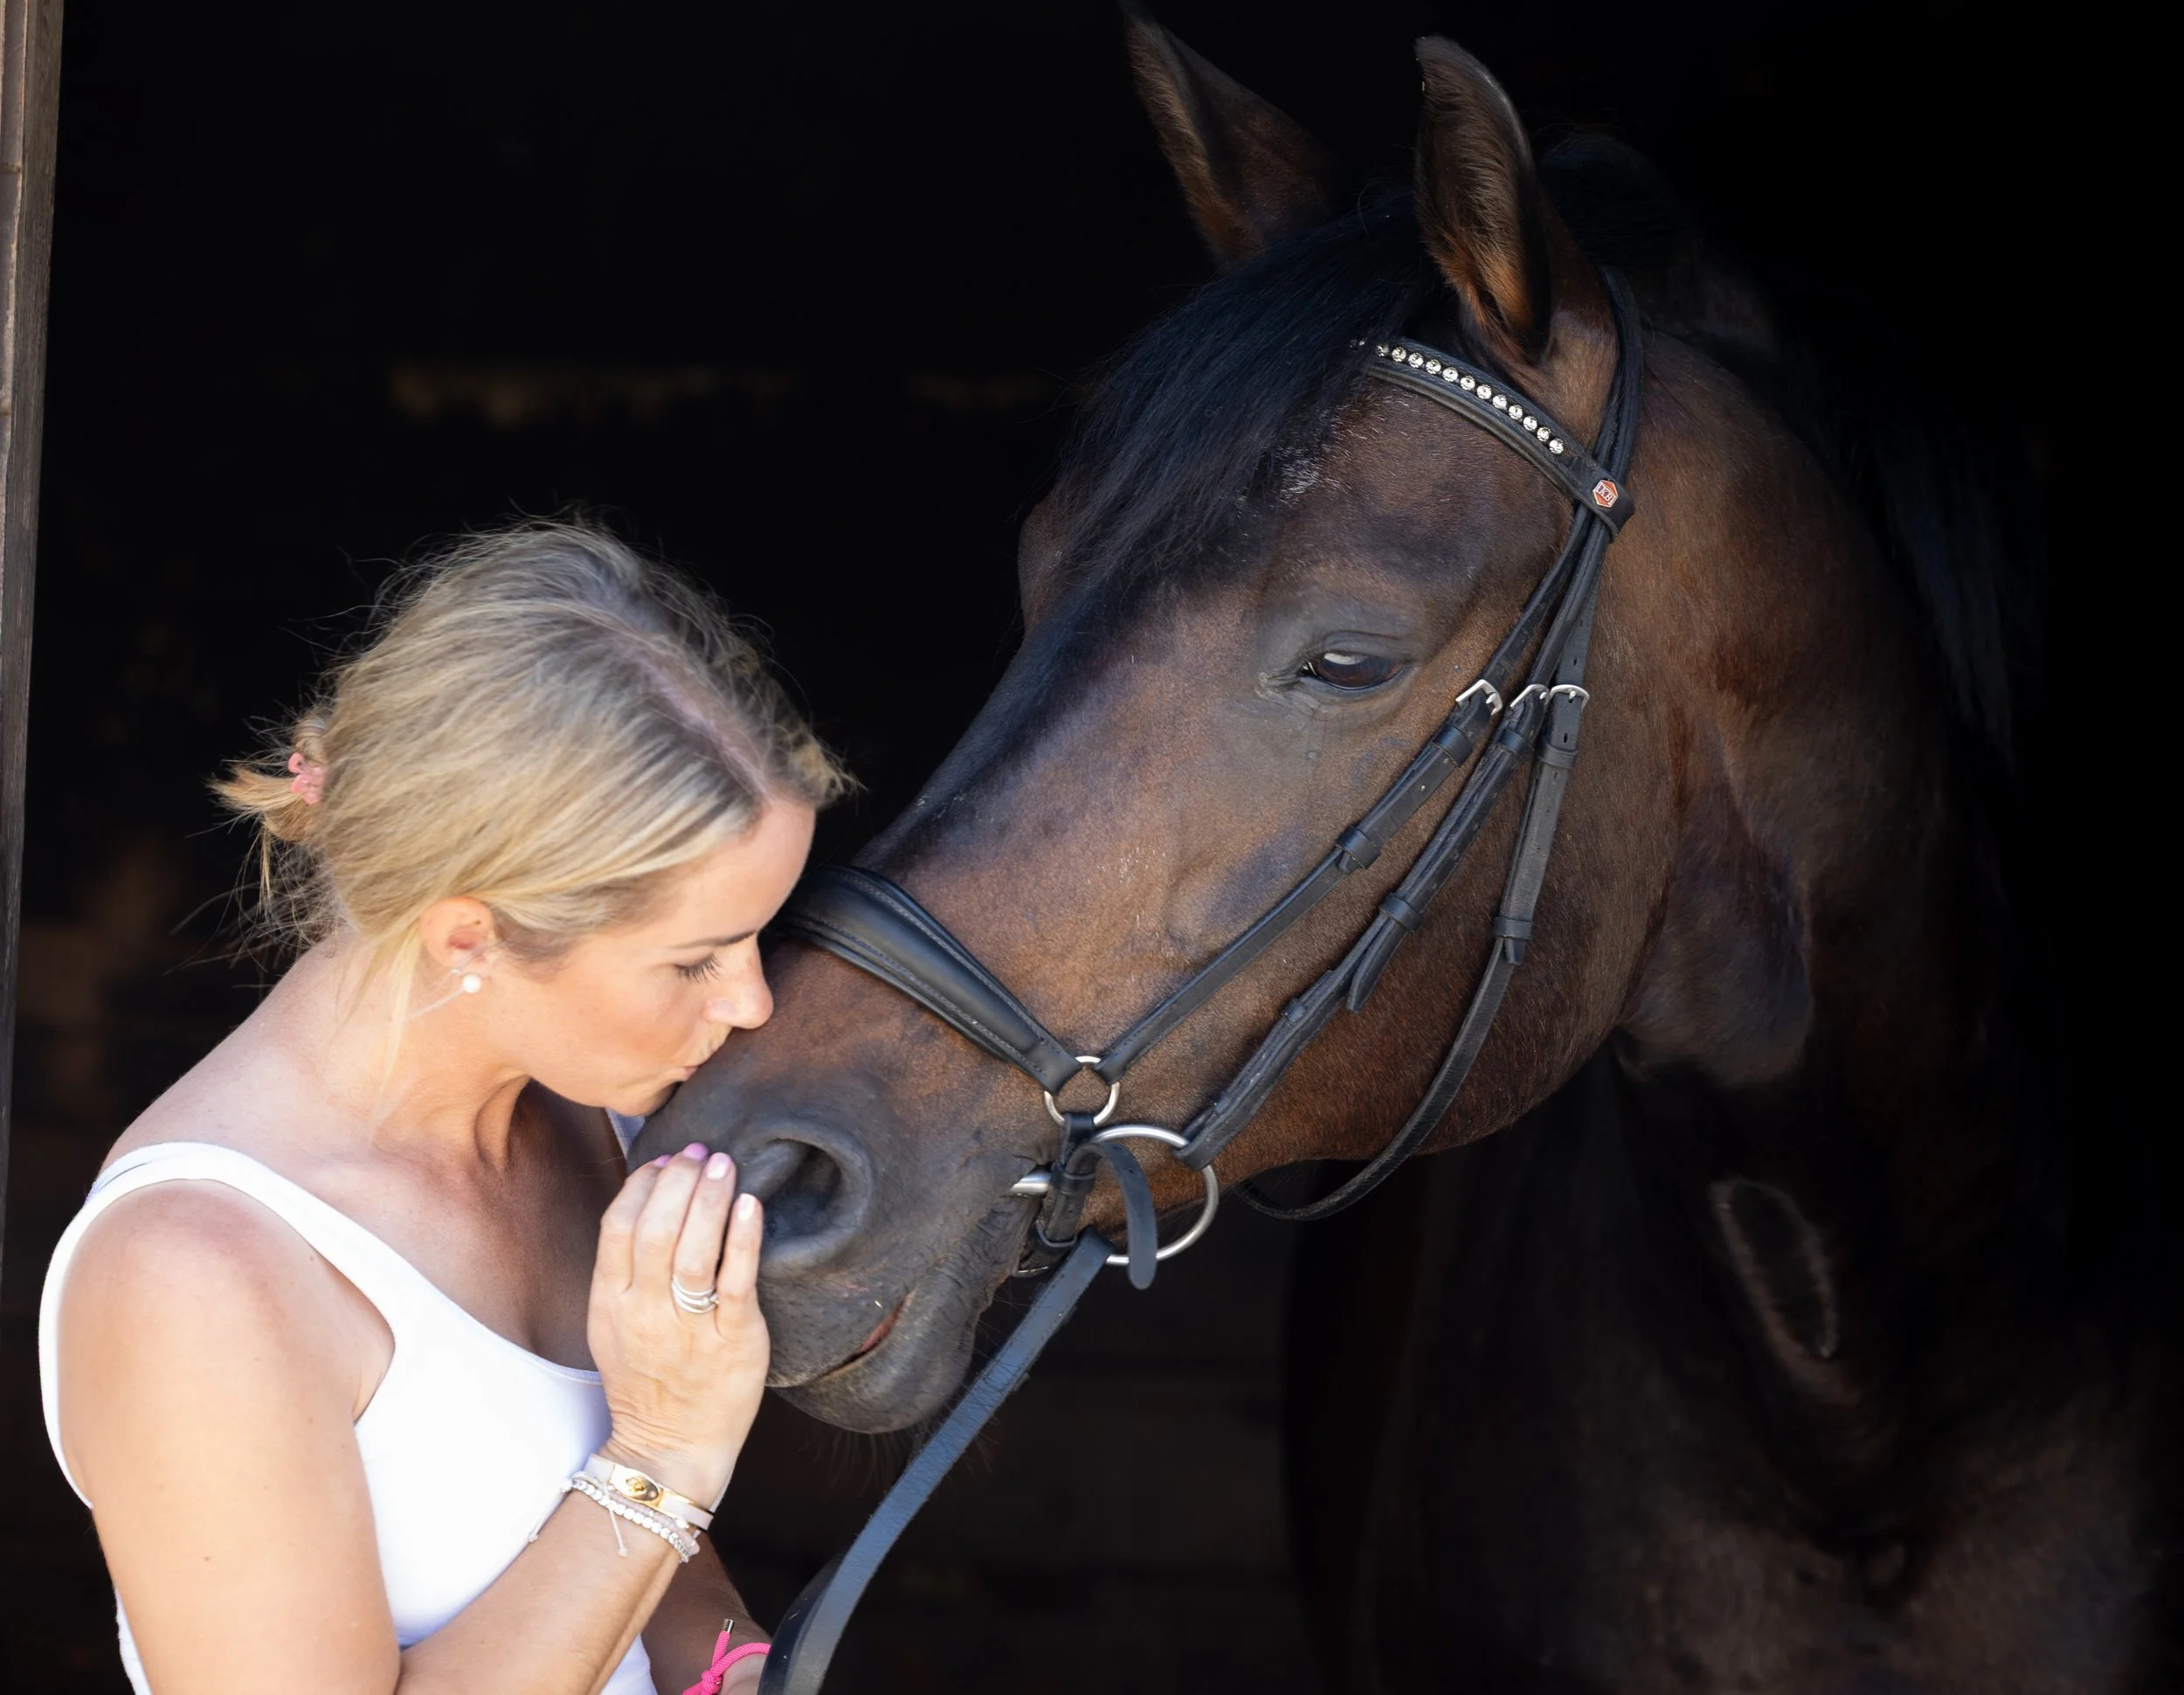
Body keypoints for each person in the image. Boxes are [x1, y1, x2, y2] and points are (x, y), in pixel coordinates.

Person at [37, 522, 848, 1695]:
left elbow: (665, 1596)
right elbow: (649, 1503)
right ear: (471, 934)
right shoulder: (198, 1270)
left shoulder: (598, 1127)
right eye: (694, 961)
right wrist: (664, 1454)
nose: (755, 1003)